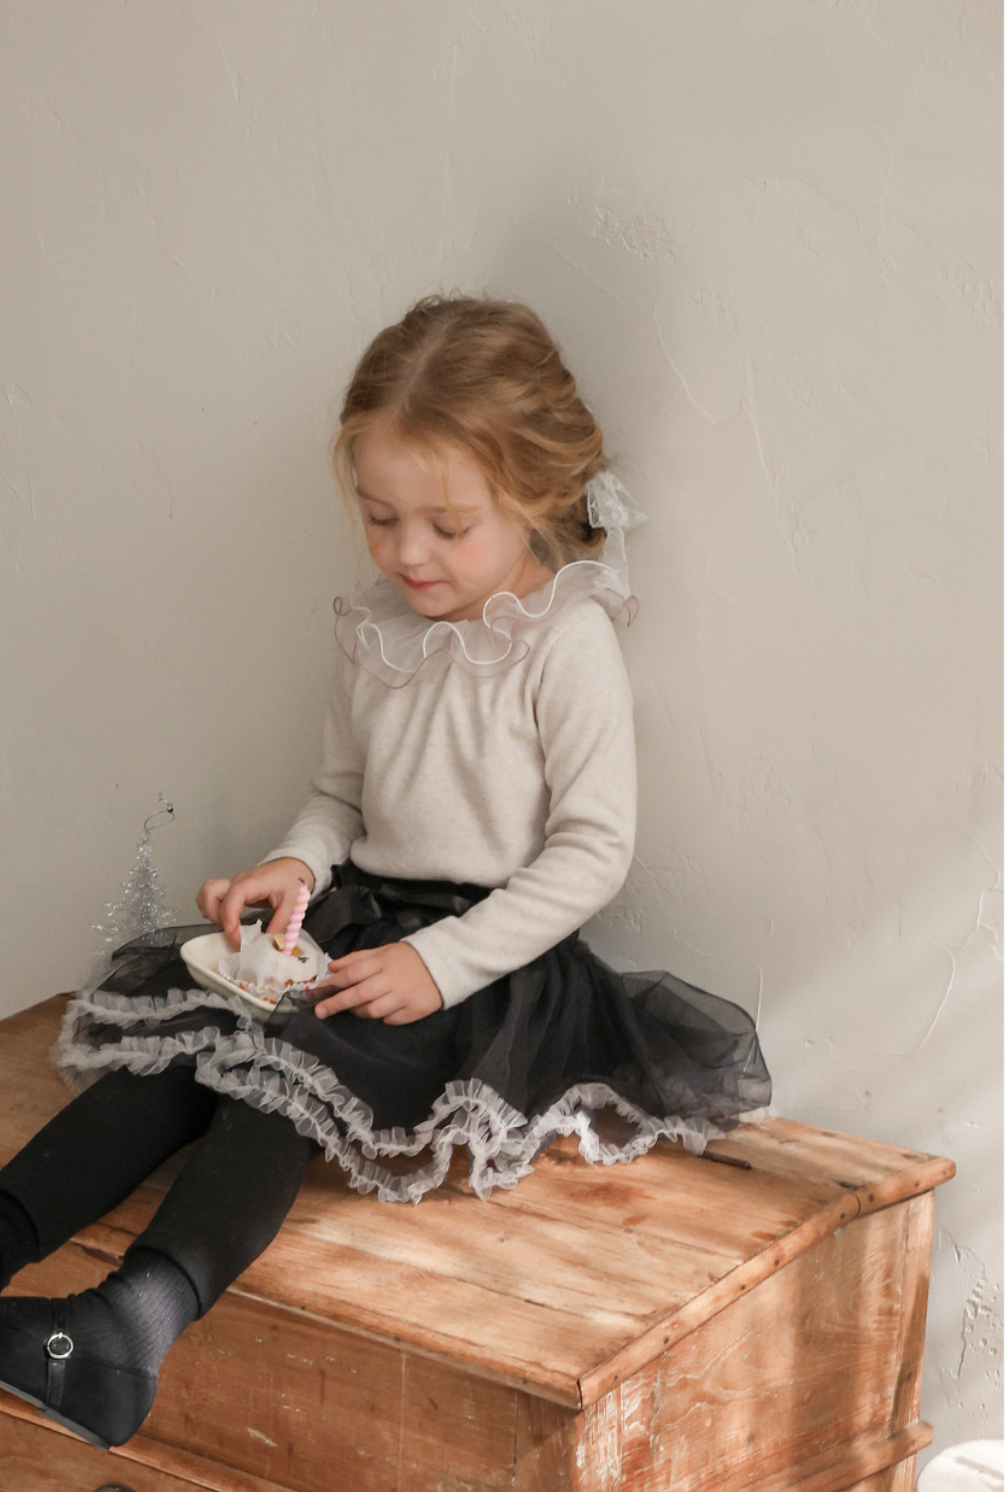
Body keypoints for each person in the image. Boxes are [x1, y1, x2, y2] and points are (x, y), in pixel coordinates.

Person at [0, 295, 770, 1450]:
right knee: (194, 1040)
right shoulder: (376, 631)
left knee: (282, 1069)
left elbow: (593, 849)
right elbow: (341, 800)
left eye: (447, 526)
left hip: (481, 967)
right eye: (380, 517)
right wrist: (292, 867)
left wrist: (439, 963)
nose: (409, 553)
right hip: (360, 924)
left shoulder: (565, 639)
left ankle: (123, 1329)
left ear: (533, 495)